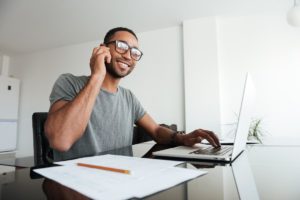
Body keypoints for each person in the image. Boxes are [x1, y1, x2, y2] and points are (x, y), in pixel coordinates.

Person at [44, 27, 221, 161]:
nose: (128, 55)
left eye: (135, 52)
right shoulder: (69, 82)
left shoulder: (128, 97)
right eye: (121, 46)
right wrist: (98, 75)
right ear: (102, 49)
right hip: (74, 185)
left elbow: (157, 131)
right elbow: (61, 140)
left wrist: (181, 138)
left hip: (120, 179)